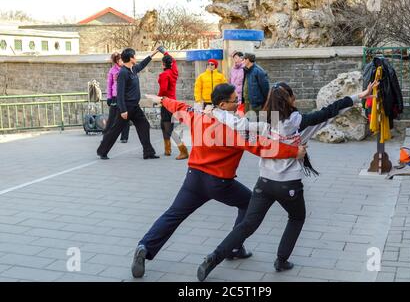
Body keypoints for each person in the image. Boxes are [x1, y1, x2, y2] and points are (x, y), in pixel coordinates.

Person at [196, 80, 378, 281]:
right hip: (289, 185)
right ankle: (281, 260)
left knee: (248, 223)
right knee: (297, 218)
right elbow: (330, 112)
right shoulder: (302, 124)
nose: (296, 99)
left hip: (264, 182)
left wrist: (214, 112)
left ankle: (214, 257)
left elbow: (238, 123)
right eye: (293, 96)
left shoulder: (265, 124)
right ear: (289, 100)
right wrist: (358, 96)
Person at [130, 84, 308, 279]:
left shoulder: (198, 115)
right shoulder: (235, 130)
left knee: (173, 214)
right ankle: (234, 248)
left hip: (194, 179)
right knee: (249, 203)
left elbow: (180, 107)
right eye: (235, 101)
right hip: (220, 183)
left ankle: (144, 247)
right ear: (223, 104)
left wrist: (161, 99)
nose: (238, 103)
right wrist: (294, 152)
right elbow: (263, 147)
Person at [96, 48, 160, 160]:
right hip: (126, 108)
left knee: (144, 125)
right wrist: (123, 110)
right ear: (131, 58)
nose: (136, 58)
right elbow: (120, 94)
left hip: (135, 107)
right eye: (135, 56)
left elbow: (143, 64)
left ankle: (148, 152)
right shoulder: (123, 73)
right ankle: (102, 151)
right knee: (115, 130)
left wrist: (153, 53)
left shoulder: (133, 69)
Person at [157, 47, 189, 160]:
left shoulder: (164, 75)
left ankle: (181, 150)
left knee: (167, 127)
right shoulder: (174, 71)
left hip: (166, 103)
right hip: (173, 102)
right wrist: (164, 51)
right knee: (166, 126)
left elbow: (163, 90)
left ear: (163, 63)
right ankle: (168, 149)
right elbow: (174, 61)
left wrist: (157, 98)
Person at [103, 52, 130, 143]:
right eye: (119, 60)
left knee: (125, 117)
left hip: (125, 97)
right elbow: (109, 85)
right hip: (115, 96)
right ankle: (106, 136)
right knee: (112, 118)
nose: (121, 61)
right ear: (116, 61)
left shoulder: (127, 69)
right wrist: (109, 97)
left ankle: (124, 137)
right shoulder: (112, 70)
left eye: (122, 59)